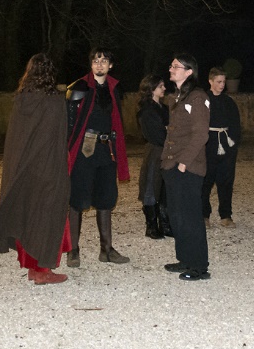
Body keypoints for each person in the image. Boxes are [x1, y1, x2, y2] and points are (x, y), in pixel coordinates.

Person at [0, 54, 72, 285]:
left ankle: (32, 269)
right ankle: (42, 270)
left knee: (27, 214)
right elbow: (58, 140)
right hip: (47, 169)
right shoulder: (55, 101)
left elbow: (16, 140)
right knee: (45, 217)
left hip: (24, 169)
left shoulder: (21, 100)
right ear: (50, 74)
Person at [65, 48, 130, 267]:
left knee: (106, 198)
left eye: (104, 60)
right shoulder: (79, 88)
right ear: (91, 64)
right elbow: (69, 125)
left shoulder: (113, 88)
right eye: (95, 60)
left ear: (110, 65)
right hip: (84, 151)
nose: (99, 64)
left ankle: (107, 250)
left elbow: (116, 122)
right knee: (77, 200)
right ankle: (72, 250)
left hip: (106, 150)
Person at [161, 53, 211, 280]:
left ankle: (199, 266)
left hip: (187, 167)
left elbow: (201, 134)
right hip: (172, 165)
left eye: (176, 66)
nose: (171, 69)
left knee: (190, 216)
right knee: (177, 215)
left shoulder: (197, 98)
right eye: (171, 65)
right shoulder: (178, 97)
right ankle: (185, 259)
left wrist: (183, 163)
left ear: (189, 71)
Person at [202, 66, 242, 228]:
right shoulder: (203, 101)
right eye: (218, 81)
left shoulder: (229, 102)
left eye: (224, 82)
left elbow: (236, 127)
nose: (222, 85)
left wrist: (232, 149)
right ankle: (204, 215)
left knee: (226, 183)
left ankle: (226, 215)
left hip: (226, 148)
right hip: (208, 147)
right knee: (205, 183)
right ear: (210, 81)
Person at [136, 74, 170, 239]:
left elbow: (172, 129)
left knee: (165, 188)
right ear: (152, 89)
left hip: (166, 150)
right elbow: (158, 134)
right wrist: (166, 131)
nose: (164, 88)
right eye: (161, 86)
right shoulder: (147, 111)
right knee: (151, 187)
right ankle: (151, 226)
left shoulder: (164, 109)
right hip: (155, 151)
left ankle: (165, 224)